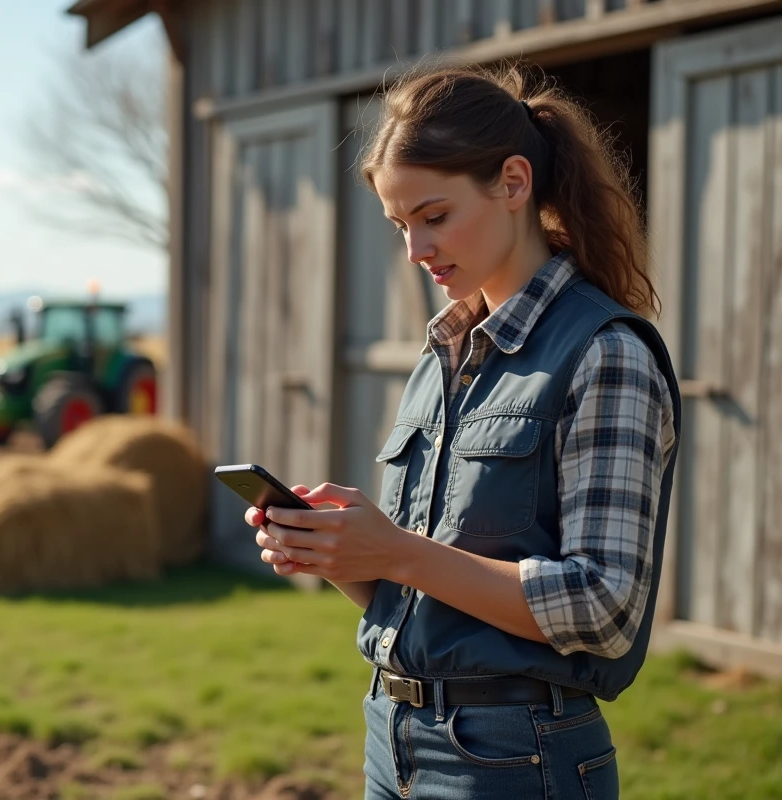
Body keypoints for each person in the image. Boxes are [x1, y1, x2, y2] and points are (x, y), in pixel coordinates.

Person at [244, 62, 682, 799]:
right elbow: (432, 594)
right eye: (399, 224)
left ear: (513, 183)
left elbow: (605, 609)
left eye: (434, 215)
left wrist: (401, 551)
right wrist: (346, 555)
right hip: (391, 739)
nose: (415, 249)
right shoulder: (442, 354)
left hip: (517, 760)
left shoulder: (604, 353)